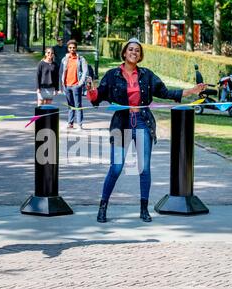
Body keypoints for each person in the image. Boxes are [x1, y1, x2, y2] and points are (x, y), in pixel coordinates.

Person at [86, 38, 206, 223]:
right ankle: (103, 207)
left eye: (137, 51)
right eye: (131, 49)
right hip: (121, 123)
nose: (134, 52)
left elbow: (166, 93)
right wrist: (91, 91)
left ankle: (144, 209)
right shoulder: (112, 75)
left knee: (144, 169)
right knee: (116, 168)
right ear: (124, 53)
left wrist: (191, 91)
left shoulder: (146, 75)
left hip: (142, 122)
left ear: (140, 56)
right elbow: (97, 97)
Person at [59, 39, 88, 131]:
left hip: (76, 85)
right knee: (70, 105)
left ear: (76, 48)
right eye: (70, 47)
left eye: (74, 47)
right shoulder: (64, 59)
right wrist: (62, 85)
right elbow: (61, 72)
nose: (72, 49)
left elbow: (85, 71)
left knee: (78, 105)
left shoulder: (81, 59)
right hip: (67, 85)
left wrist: (80, 83)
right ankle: (70, 123)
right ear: (68, 48)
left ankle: (79, 124)